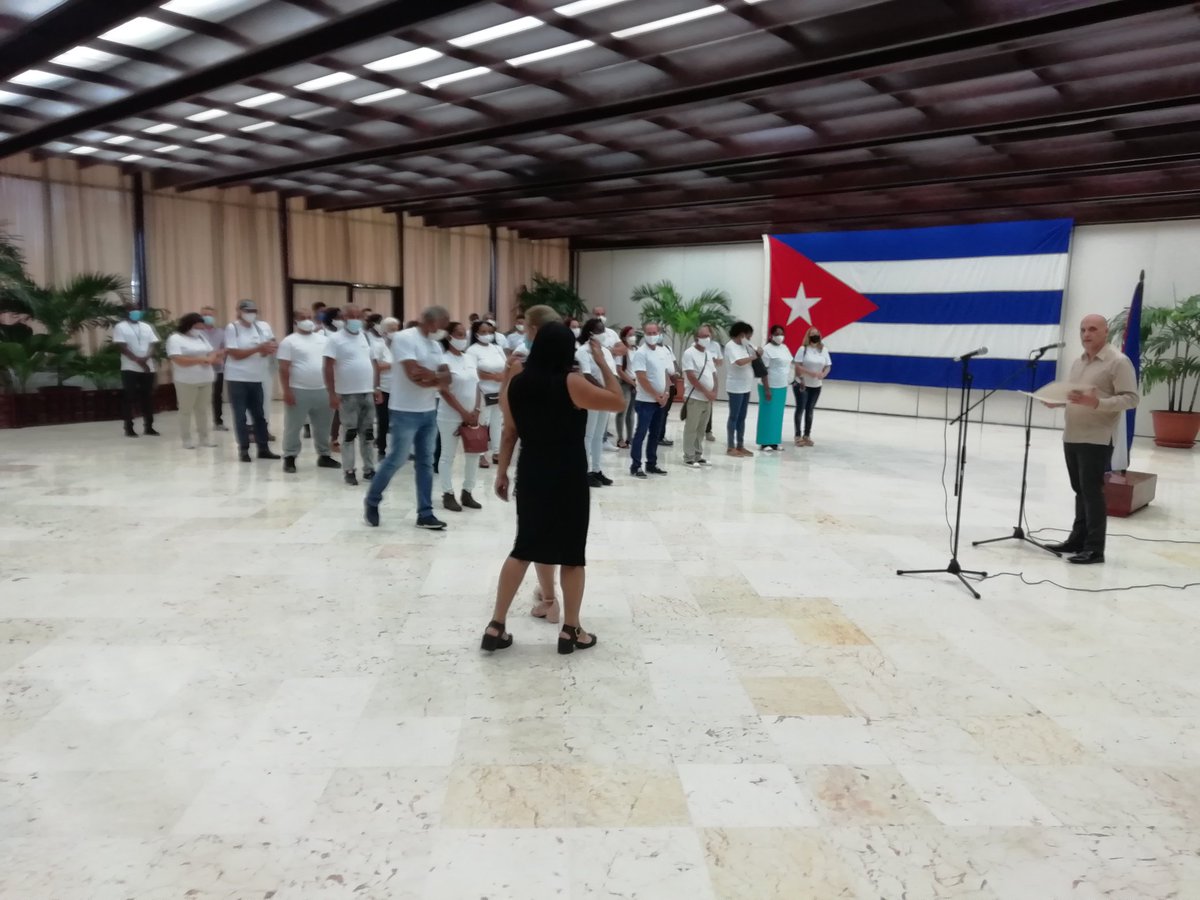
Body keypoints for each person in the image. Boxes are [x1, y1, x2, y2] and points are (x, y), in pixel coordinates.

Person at [481, 322, 626, 654]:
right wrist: (603, 363)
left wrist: (502, 473)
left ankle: (496, 624)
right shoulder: (572, 382)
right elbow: (617, 401)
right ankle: (571, 630)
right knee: (572, 554)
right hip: (568, 474)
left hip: (532, 471)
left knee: (523, 547)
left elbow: (509, 432)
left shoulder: (517, 383)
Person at [1041, 314, 1139, 565]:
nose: (1086, 334)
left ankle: (1095, 549)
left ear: (1106, 331)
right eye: (1083, 329)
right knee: (1080, 491)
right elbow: (1075, 397)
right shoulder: (1079, 362)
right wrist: (1057, 402)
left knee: (1092, 492)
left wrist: (1097, 403)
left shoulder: (1118, 362)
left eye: (1093, 329)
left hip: (1096, 437)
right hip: (1073, 434)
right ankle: (1077, 540)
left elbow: (1131, 398)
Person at [364, 305, 451, 530]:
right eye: (441, 325)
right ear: (430, 322)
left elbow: (448, 378)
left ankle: (425, 513)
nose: (443, 330)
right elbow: (414, 375)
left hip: (428, 410)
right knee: (396, 458)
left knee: (425, 462)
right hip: (404, 410)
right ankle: (372, 500)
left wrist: (432, 376)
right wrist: (437, 378)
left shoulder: (435, 345)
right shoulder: (405, 338)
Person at [324, 305, 383, 486]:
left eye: (358, 316)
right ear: (344, 318)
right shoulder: (335, 339)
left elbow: (374, 363)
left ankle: (369, 469)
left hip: (367, 392)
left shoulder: (366, 337)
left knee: (368, 433)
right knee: (349, 433)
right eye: (352, 316)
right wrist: (332, 393)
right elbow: (327, 367)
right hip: (347, 394)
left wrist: (377, 387)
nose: (356, 319)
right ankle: (349, 470)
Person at [278, 308, 339, 473]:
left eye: (309, 317)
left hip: (323, 389)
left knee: (323, 426)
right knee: (293, 426)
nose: (307, 320)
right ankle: (290, 456)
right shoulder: (289, 341)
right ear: (295, 321)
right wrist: (287, 391)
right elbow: (283, 368)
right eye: (302, 317)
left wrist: (333, 391)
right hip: (299, 390)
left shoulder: (324, 340)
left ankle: (324, 455)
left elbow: (332, 364)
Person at [224, 299, 280, 462]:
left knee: (259, 415)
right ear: (239, 311)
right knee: (240, 415)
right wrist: (258, 348)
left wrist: (268, 349)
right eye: (247, 311)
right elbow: (235, 354)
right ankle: (244, 449)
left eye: (254, 311)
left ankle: (263, 448)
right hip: (237, 378)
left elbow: (270, 345)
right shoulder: (233, 328)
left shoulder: (261, 327)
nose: (251, 314)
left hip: (257, 377)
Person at [437, 321, 484, 512]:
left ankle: (468, 492)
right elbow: (444, 391)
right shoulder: (443, 360)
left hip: (472, 415)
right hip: (450, 415)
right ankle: (447, 493)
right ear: (449, 337)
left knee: (474, 454)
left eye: (464, 334)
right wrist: (463, 413)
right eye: (458, 334)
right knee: (447, 455)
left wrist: (476, 410)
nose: (462, 338)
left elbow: (477, 385)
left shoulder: (470, 358)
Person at [166, 312, 219, 449]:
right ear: (188, 325)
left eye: (201, 327)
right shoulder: (175, 338)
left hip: (205, 378)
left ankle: (204, 438)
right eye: (197, 327)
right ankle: (186, 439)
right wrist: (199, 360)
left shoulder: (201, 337)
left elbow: (212, 352)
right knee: (185, 410)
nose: (200, 330)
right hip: (186, 380)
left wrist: (210, 359)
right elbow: (177, 359)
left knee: (202, 410)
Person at [576, 318, 617, 487]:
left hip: (604, 398)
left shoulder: (606, 351)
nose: (603, 334)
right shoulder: (583, 351)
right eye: (599, 331)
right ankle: (584, 471)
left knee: (599, 435)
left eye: (603, 330)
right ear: (591, 333)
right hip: (591, 397)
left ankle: (597, 469)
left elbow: (612, 373)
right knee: (588, 435)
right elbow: (586, 375)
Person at [629, 322, 673, 478]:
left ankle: (651, 464)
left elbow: (666, 374)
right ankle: (636, 466)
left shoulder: (662, 351)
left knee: (655, 433)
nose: (652, 336)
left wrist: (666, 393)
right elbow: (641, 378)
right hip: (645, 401)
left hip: (660, 401)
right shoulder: (641, 353)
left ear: (659, 333)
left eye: (655, 333)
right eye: (649, 333)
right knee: (641, 433)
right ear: (644, 334)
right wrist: (656, 395)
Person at [113, 303, 160, 438]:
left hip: (148, 366)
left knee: (147, 397)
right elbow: (122, 347)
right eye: (132, 310)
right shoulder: (120, 327)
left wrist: (147, 358)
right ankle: (129, 428)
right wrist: (139, 361)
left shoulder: (146, 326)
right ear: (127, 312)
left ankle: (149, 426)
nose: (136, 312)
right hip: (130, 367)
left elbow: (153, 345)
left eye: (138, 310)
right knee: (129, 397)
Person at [467, 319, 507, 470]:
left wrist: (502, 377)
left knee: (498, 422)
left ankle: (496, 452)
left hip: (499, 390)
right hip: (482, 391)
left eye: (490, 332)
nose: (487, 335)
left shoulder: (497, 348)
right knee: (483, 422)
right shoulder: (472, 350)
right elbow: (472, 371)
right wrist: (493, 377)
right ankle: (481, 454)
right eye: (483, 332)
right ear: (476, 334)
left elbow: (506, 366)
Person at [681, 326, 717, 468]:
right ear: (696, 338)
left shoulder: (708, 353)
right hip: (695, 398)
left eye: (708, 335)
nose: (706, 338)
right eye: (703, 336)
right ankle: (688, 457)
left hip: (707, 400)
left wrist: (714, 391)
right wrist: (706, 391)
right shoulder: (689, 353)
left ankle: (698, 454)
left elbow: (714, 374)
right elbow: (691, 376)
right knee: (691, 428)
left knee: (701, 429)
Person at [793, 326, 832, 446]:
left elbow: (828, 365)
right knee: (800, 409)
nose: (815, 335)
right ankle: (798, 435)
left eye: (817, 333)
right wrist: (809, 374)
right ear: (808, 336)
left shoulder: (823, 350)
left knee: (810, 410)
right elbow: (797, 366)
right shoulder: (803, 349)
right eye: (812, 333)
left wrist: (823, 374)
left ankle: (807, 435)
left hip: (816, 385)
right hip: (802, 384)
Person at [724, 321, 758, 458]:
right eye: (748, 336)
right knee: (734, 416)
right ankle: (730, 446)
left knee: (742, 417)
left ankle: (740, 444)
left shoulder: (745, 346)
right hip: (735, 386)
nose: (749, 339)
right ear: (742, 334)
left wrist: (757, 351)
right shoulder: (730, 346)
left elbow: (757, 352)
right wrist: (753, 357)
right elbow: (739, 362)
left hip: (746, 386)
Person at [757, 324, 792, 451]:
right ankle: (765, 442)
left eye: (782, 334)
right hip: (769, 386)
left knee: (777, 415)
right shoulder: (767, 349)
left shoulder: (784, 348)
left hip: (782, 386)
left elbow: (788, 364)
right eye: (777, 334)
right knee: (767, 414)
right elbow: (763, 371)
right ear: (771, 335)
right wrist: (767, 389)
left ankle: (774, 441)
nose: (780, 336)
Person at [373, 316, 400, 457]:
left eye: (396, 329)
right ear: (384, 331)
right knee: (383, 421)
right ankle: (381, 448)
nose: (395, 332)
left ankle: (399, 449)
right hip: (383, 388)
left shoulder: (401, 346)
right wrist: (393, 365)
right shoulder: (378, 346)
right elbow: (376, 367)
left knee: (399, 422)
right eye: (391, 329)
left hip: (399, 389)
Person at [199, 306, 227, 431]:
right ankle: (201, 423)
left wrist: (215, 356)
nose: (207, 317)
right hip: (201, 368)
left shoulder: (221, 332)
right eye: (204, 315)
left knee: (217, 395)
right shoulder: (197, 333)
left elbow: (225, 349)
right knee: (200, 397)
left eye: (209, 315)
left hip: (217, 368)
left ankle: (218, 422)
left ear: (214, 317)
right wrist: (211, 356)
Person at [614, 325, 638, 448]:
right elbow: (619, 370)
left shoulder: (636, 350)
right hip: (625, 384)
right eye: (630, 335)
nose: (633, 337)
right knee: (622, 411)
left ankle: (630, 437)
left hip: (635, 383)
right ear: (624, 337)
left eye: (634, 335)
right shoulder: (622, 351)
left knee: (631, 412)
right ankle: (620, 438)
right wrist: (631, 382)